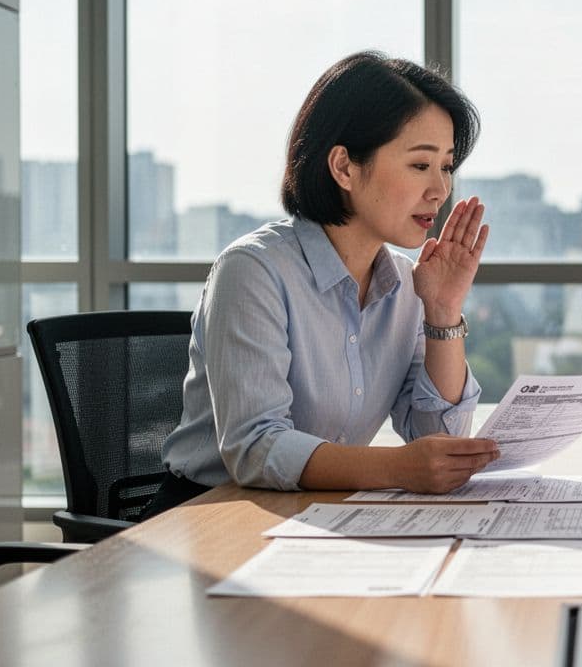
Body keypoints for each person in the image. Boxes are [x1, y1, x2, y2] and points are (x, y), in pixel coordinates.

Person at [145, 51, 499, 518]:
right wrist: (397, 468)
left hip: (317, 513)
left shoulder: (408, 285)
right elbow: (255, 447)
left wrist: (443, 311)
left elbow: (441, 442)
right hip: (212, 514)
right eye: (420, 166)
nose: (440, 190)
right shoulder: (253, 270)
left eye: (446, 166)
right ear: (345, 168)